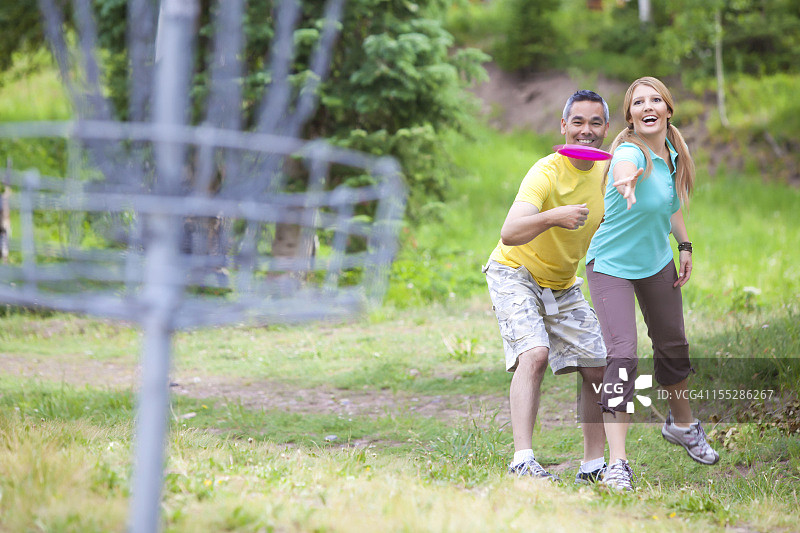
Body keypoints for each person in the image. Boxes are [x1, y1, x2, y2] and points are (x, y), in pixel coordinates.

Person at [585, 76, 719, 492]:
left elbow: (671, 204)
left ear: (667, 110)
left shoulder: (672, 154)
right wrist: (623, 179)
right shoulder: (629, 151)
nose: (647, 106)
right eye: (638, 101)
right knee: (623, 356)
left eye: (655, 99)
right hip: (611, 265)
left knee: (674, 346)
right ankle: (617, 465)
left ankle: (682, 425)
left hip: (656, 262)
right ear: (629, 116)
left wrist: (685, 245)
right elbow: (627, 167)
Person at [483, 90, 610, 483]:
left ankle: (593, 466)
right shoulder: (546, 171)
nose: (585, 131)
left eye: (595, 123)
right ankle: (522, 460)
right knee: (534, 354)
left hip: (562, 283)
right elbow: (509, 231)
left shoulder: (610, 174)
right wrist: (553, 216)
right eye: (578, 122)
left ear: (606, 129)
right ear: (563, 127)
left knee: (599, 365)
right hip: (513, 272)